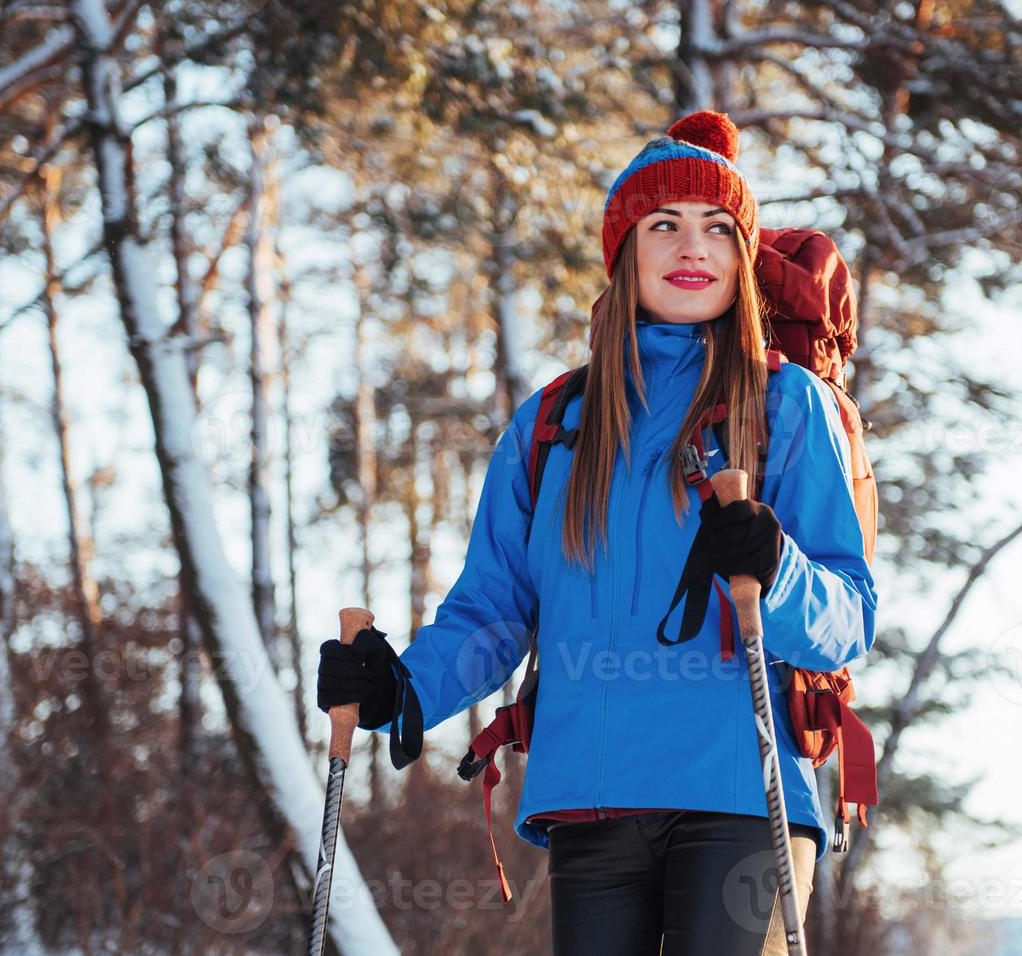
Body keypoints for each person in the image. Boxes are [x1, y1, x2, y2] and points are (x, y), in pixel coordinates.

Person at [318, 110, 877, 956]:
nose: (692, 248)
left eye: (716, 230)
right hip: (592, 799)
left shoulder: (784, 403)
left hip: (742, 791)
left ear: (740, 255)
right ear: (623, 250)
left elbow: (850, 612)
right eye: (664, 226)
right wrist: (405, 688)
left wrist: (778, 566)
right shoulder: (555, 422)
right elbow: (493, 610)